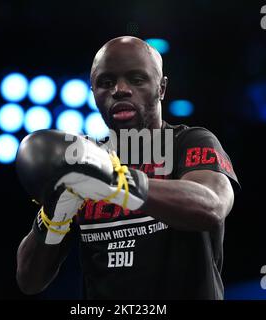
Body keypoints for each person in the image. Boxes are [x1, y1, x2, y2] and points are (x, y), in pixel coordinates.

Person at [16, 36, 240, 300]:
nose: (119, 90)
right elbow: (30, 280)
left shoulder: (189, 142)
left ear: (162, 88)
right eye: (106, 82)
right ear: (93, 92)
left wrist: (115, 180)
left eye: (136, 79)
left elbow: (212, 206)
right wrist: (54, 216)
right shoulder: (82, 161)